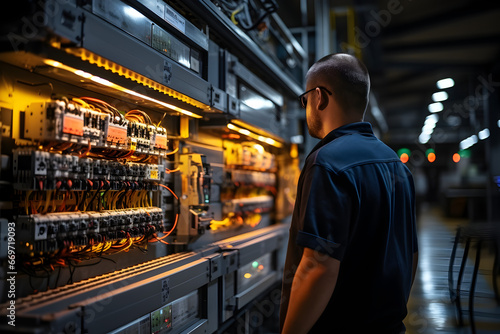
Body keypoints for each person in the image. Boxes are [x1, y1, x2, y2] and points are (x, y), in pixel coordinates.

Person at [279, 53, 418, 334]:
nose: (307, 108)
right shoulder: (395, 164)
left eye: (305, 100)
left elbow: (318, 266)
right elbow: (411, 253)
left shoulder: (327, 163)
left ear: (319, 97)